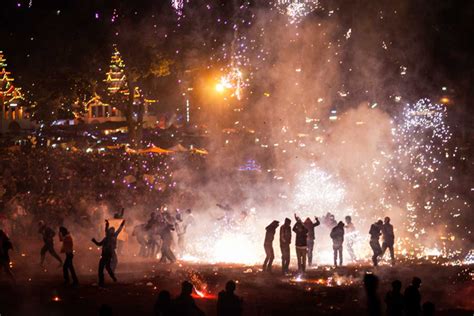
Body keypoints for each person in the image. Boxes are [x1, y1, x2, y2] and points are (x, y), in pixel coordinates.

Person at [92, 219, 125, 287]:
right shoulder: (106, 238)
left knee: (104, 267)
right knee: (106, 267)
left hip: (108, 254)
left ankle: (104, 281)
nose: (111, 231)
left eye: (112, 230)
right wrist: (94, 241)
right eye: (110, 230)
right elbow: (99, 244)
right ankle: (111, 278)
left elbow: (119, 230)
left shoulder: (114, 236)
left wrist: (122, 224)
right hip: (105, 254)